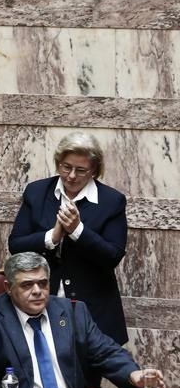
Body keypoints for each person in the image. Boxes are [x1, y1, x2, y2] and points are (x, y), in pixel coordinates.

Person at [0, 252, 163, 388]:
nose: (37, 291)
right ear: (8, 287)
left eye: (43, 283)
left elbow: (105, 352)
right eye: (27, 285)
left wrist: (133, 375)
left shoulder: (73, 311)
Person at [9, 132, 128, 360]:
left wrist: (78, 231)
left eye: (81, 170)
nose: (71, 176)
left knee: (87, 384)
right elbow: (16, 244)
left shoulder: (112, 201)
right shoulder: (36, 192)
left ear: (94, 169)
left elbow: (112, 255)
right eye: (66, 167)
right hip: (41, 305)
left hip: (93, 310)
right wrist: (52, 237)